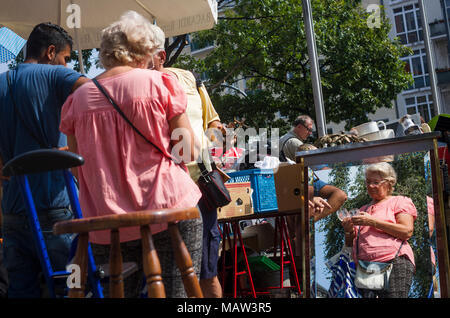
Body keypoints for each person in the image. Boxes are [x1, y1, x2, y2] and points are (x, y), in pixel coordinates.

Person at [59, 11, 203, 298]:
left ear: (105, 53)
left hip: (105, 219)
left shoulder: (77, 99)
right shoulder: (160, 84)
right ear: (144, 51)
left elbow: (77, 167)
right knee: (176, 294)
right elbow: (187, 151)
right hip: (168, 209)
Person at [0, 22, 88, 298]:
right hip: (55, 208)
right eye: (65, 58)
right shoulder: (55, 75)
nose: (66, 64)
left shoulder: (2, 82)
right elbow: (94, 93)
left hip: (12, 212)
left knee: (20, 292)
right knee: (70, 289)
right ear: (51, 52)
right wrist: (76, 145)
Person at [150, 47, 224, 298]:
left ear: (160, 55)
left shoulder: (190, 79)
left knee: (206, 273)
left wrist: (207, 147)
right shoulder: (135, 88)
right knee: (171, 276)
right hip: (161, 191)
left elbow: (214, 123)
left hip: (199, 186)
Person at [342, 162, 417, 298]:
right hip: (365, 269)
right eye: (368, 182)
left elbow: (406, 231)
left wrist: (372, 222)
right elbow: (350, 244)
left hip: (394, 262)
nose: (370, 186)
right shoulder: (363, 209)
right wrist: (348, 231)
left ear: (388, 183)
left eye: (375, 182)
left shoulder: (399, 201)